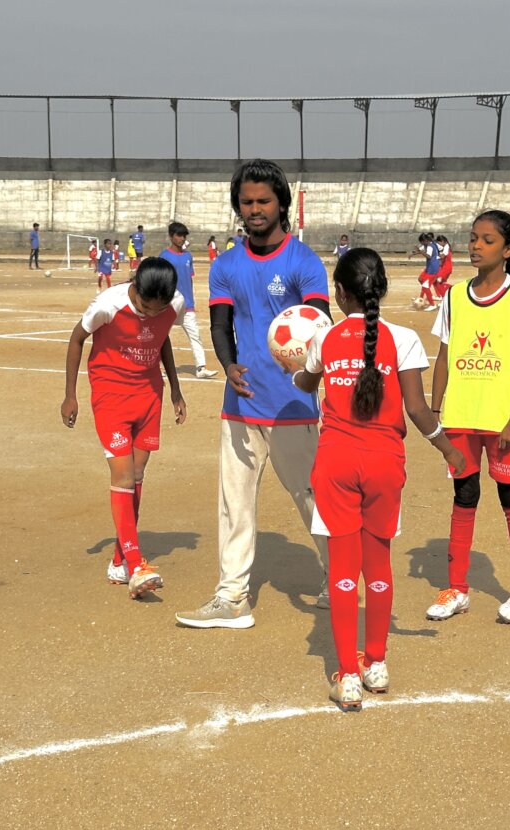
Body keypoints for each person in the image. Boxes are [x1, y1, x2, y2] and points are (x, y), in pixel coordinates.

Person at [290, 248, 464, 710]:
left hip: (336, 463)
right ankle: (377, 663)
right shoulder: (403, 338)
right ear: (381, 289)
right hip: (385, 463)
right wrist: (449, 450)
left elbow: (306, 384)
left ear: (339, 293)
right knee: (379, 565)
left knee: (343, 569)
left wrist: (295, 372)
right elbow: (418, 409)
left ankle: (348, 676)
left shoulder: (324, 338)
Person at [175, 158, 332, 629]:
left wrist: (305, 374)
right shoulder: (226, 265)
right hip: (240, 404)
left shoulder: (303, 261)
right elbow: (220, 324)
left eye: (264, 200)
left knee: (312, 497)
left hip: (292, 405)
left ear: (281, 203)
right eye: (247, 202)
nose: (255, 209)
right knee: (234, 504)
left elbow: (319, 325)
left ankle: (341, 573)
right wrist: (228, 366)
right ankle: (232, 597)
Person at [426, 209, 510, 625]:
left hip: (503, 420)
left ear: (508, 250)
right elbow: (443, 356)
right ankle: (457, 588)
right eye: (473, 238)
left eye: (487, 240)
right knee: (464, 495)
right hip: (460, 416)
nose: (476, 246)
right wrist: (436, 412)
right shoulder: (454, 296)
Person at [60, 257, 187, 598]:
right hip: (111, 395)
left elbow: (162, 339)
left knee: (138, 475)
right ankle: (136, 563)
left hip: (149, 395)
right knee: (123, 476)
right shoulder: (107, 305)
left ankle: (119, 562)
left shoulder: (174, 305)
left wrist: (175, 389)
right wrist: (70, 395)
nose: (149, 315)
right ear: (135, 288)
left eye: (157, 310)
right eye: (144, 307)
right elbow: (76, 339)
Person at [160, 222, 218, 379]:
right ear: (171, 236)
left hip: (187, 305)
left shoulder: (188, 256)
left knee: (195, 335)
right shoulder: (164, 257)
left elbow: (189, 279)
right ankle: (157, 367)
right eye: (179, 235)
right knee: (161, 336)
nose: (182, 238)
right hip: (169, 304)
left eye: (184, 235)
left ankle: (201, 368)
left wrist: (191, 299)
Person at [409, 232, 439, 311]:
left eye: (421, 242)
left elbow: (428, 256)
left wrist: (420, 251)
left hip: (432, 268)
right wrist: (414, 254)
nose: (421, 244)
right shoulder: (427, 245)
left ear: (425, 241)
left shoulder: (430, 247)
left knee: (425, 286)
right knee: (420, 279)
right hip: (429, 267)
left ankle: (432, 304)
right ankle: (423, 297)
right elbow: (421, 250)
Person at [434, 234, 453, 300]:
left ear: (442, 241)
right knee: (440, 282)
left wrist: (435, 257)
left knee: (437, 281)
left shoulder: (446, 247)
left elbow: (443, 256)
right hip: (445, 268)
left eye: (439, 243)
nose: (439, 244)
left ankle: (443, 296)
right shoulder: (445, 246)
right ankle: (442, 295)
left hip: (446, 268)